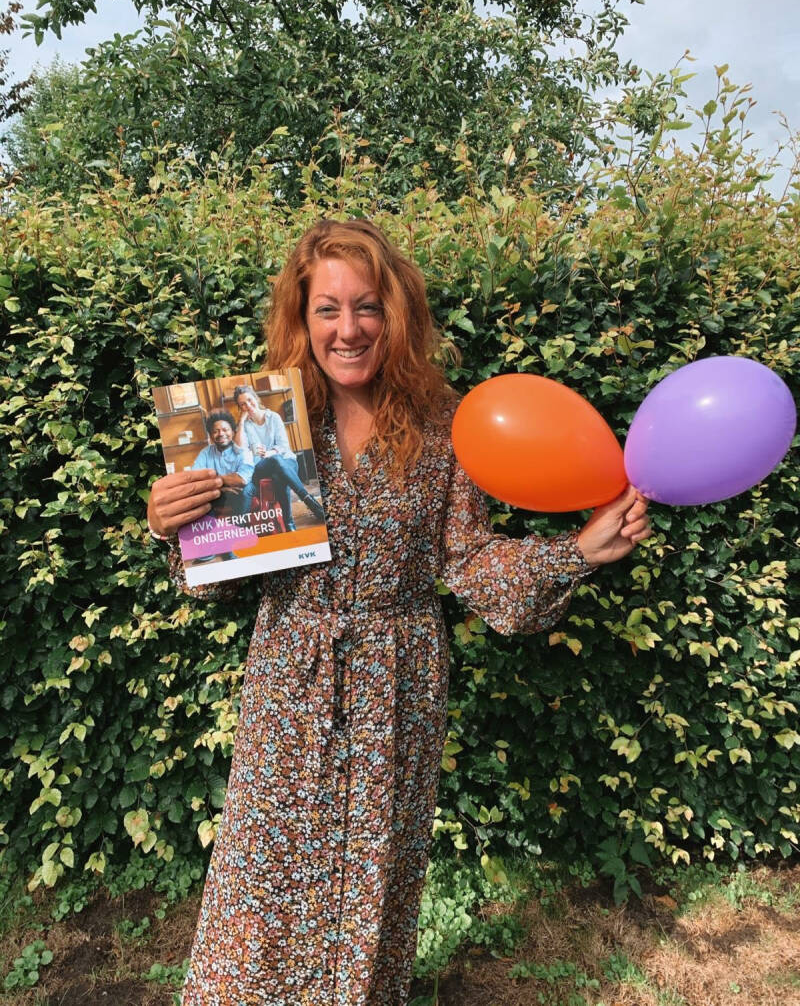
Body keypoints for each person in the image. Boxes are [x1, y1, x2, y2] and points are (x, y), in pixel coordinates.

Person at [147, 219, 651, 1006]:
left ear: (397, 313)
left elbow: (471, 563)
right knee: (261, 880)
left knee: (372, 878)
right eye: (327, 308)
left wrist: (578, 551)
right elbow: (217, 581)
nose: (348, 329)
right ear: (302, 317)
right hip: (289, 678)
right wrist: (171, 524)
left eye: (368, 306)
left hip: (399, 683)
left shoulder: (445, 425)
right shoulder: (260, 422)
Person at [232, 383, 325, 529]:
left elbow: (283, 446)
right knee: (275, 461)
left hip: (285, 460)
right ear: (240, 408)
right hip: (262, 466)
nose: (248, 405)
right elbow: (239, 449)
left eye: (249, 400)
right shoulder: (246, 426)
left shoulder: (273, 417)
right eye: (243, 404)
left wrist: (269, 453)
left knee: (278, 473)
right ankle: (307, 499)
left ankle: (289, 523)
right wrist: (241, 422)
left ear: (256, 398)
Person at [190, 410, 254, 518]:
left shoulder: (243, 451)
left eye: (225, 430)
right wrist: (220, 488)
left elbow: (241, 480)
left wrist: (215, 481)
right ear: (211, 436)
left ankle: (240, 527)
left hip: (239, 493)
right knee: (201, 496)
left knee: (246, 490)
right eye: (216, 431)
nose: (221, 434)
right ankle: (210, 527)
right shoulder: (205, 453)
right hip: (218, 493)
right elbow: (195, 478)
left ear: (233, 432)